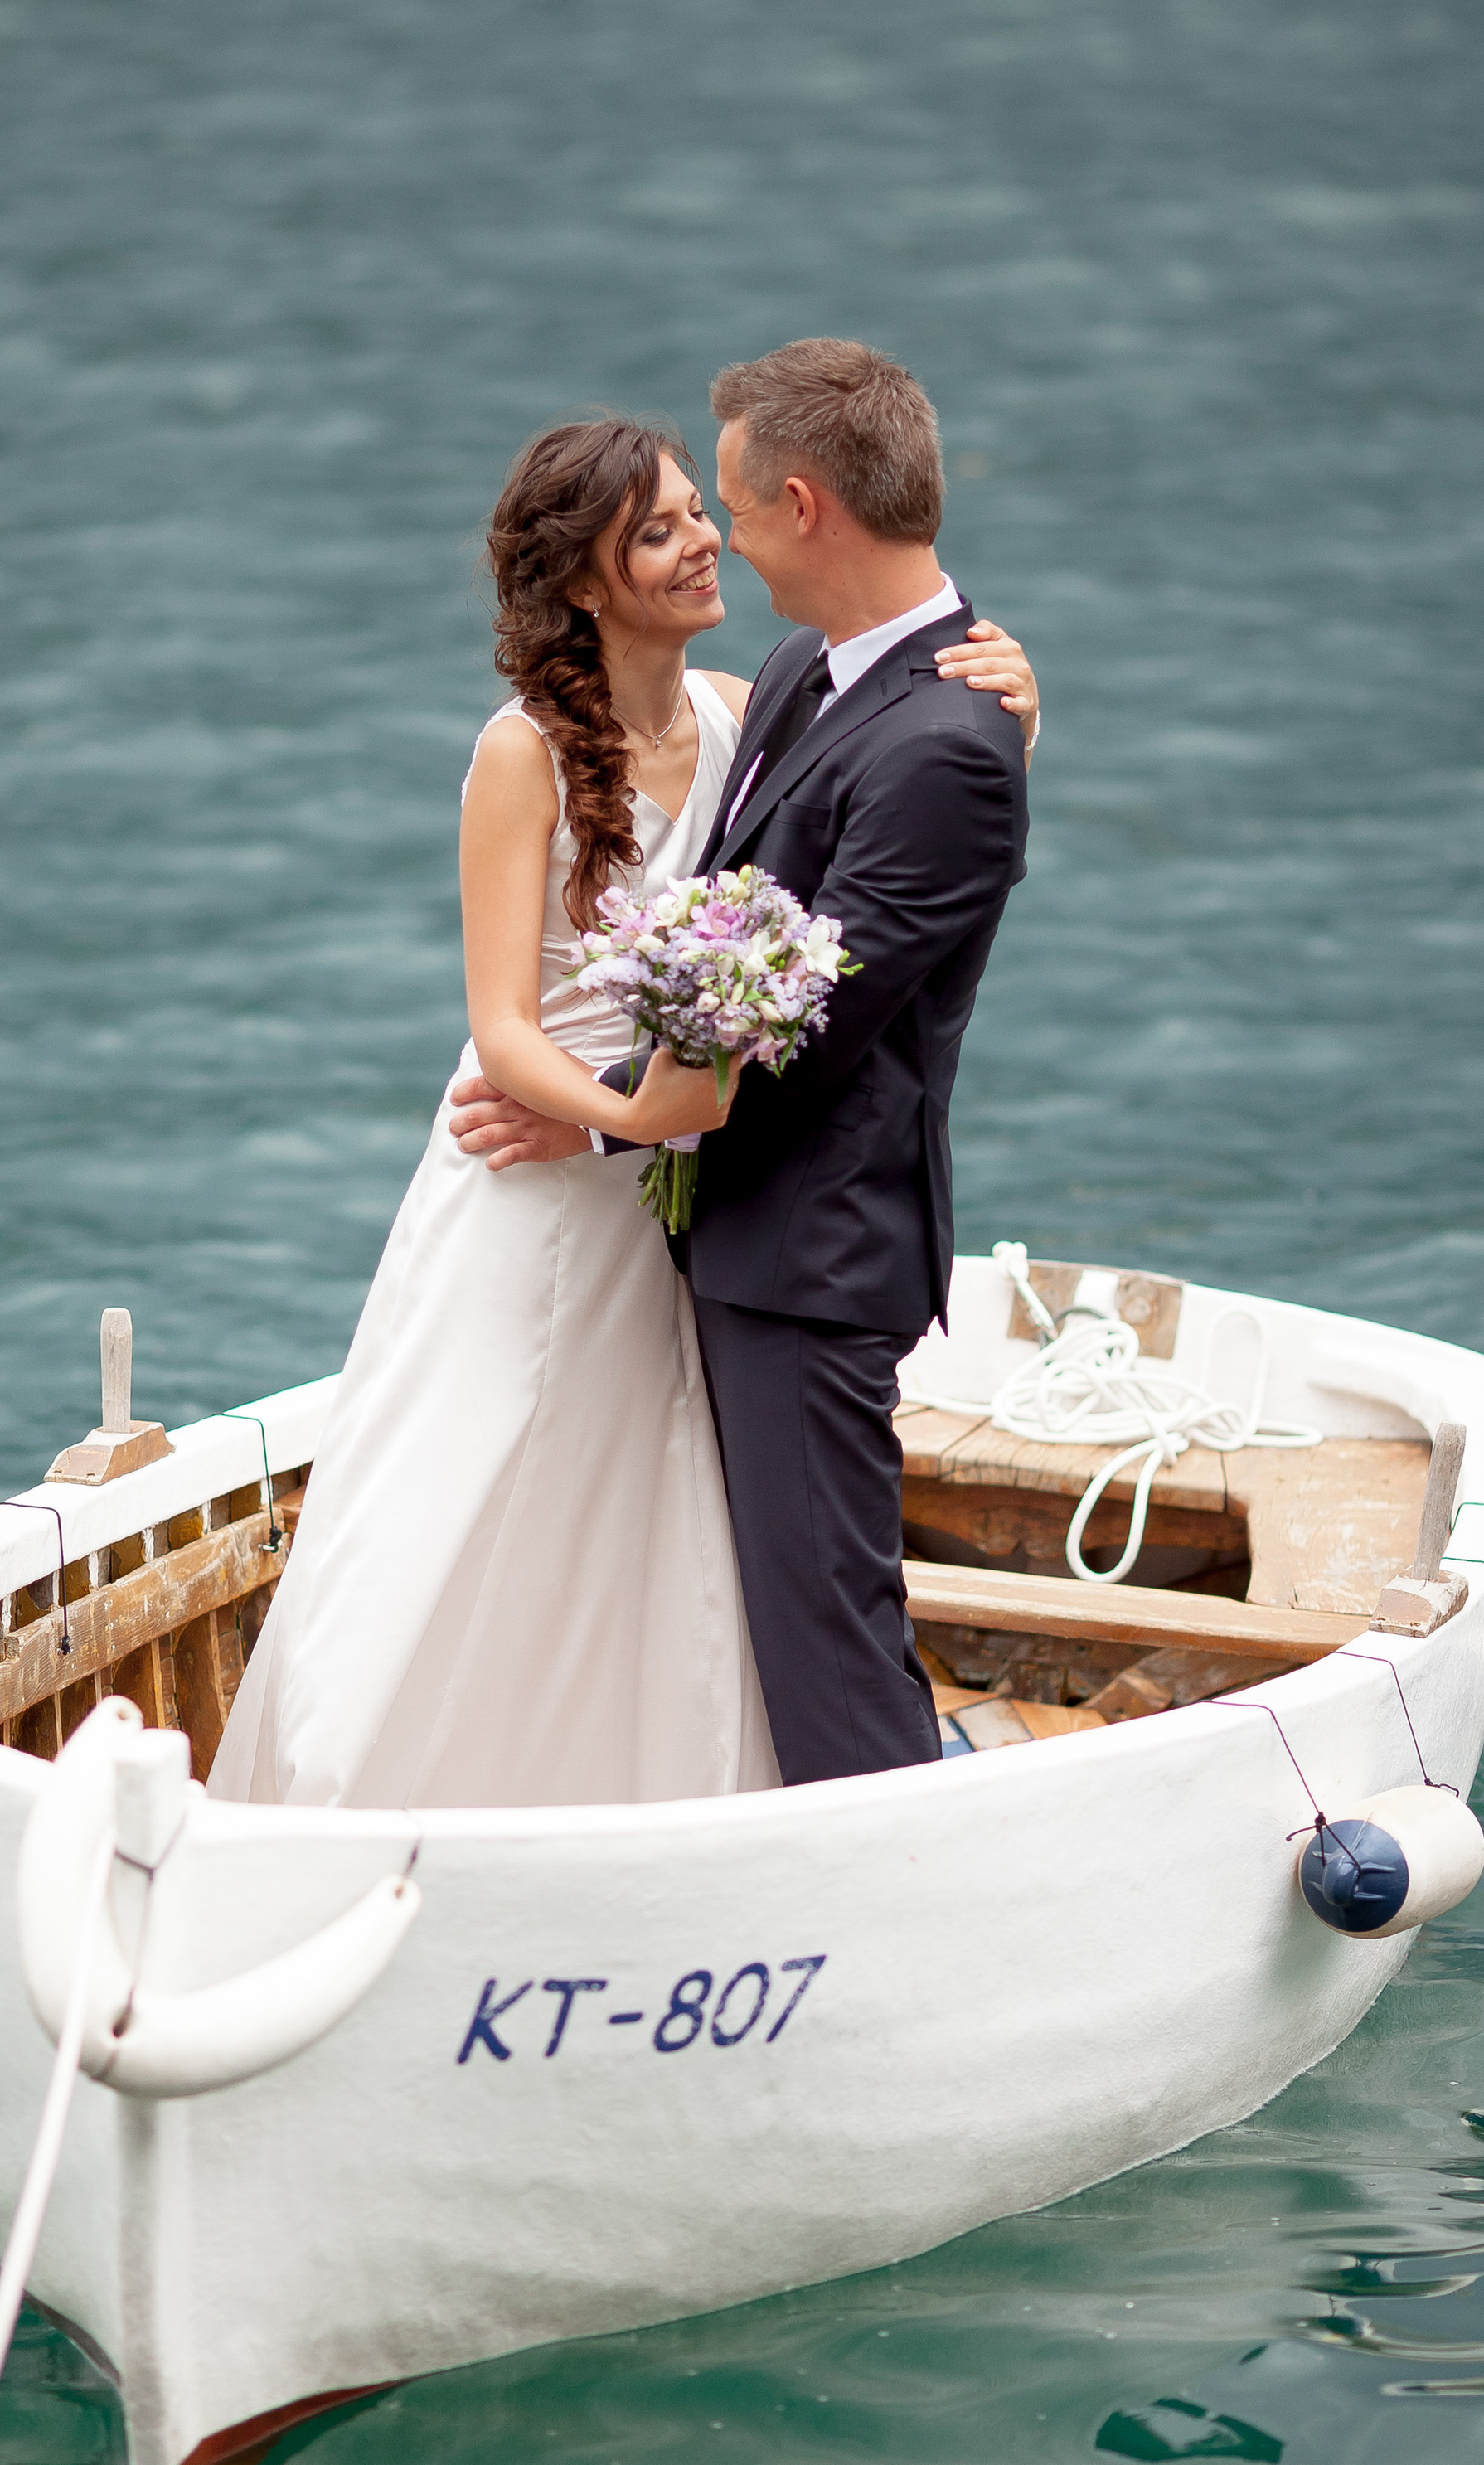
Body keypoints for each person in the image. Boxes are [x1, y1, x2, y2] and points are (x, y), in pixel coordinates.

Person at [209, 405, 1036, 1809]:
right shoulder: (519, 756)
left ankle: (640, 1796)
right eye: (657, 529)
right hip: (533, 1173)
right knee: (472, 1487)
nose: (701, 541)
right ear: (585, 581)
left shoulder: (751, 701)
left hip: (671, 1180)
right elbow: (496, 1032)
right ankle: (369, 1793)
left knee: (659, 1516)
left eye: (701, 512)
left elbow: (895, 783)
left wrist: (1017, 699)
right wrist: (623, 1118)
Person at [453, 342, 1029, 1787]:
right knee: (754, 1596)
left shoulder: (946, 739)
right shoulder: (795, 676)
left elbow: (819, 1018)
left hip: (813, 1248)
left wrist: (600, 1135)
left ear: (801, 503)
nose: (716, 533)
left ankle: (902, 1905)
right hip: (727, 1225)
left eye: (722, 504)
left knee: (824, 1624)